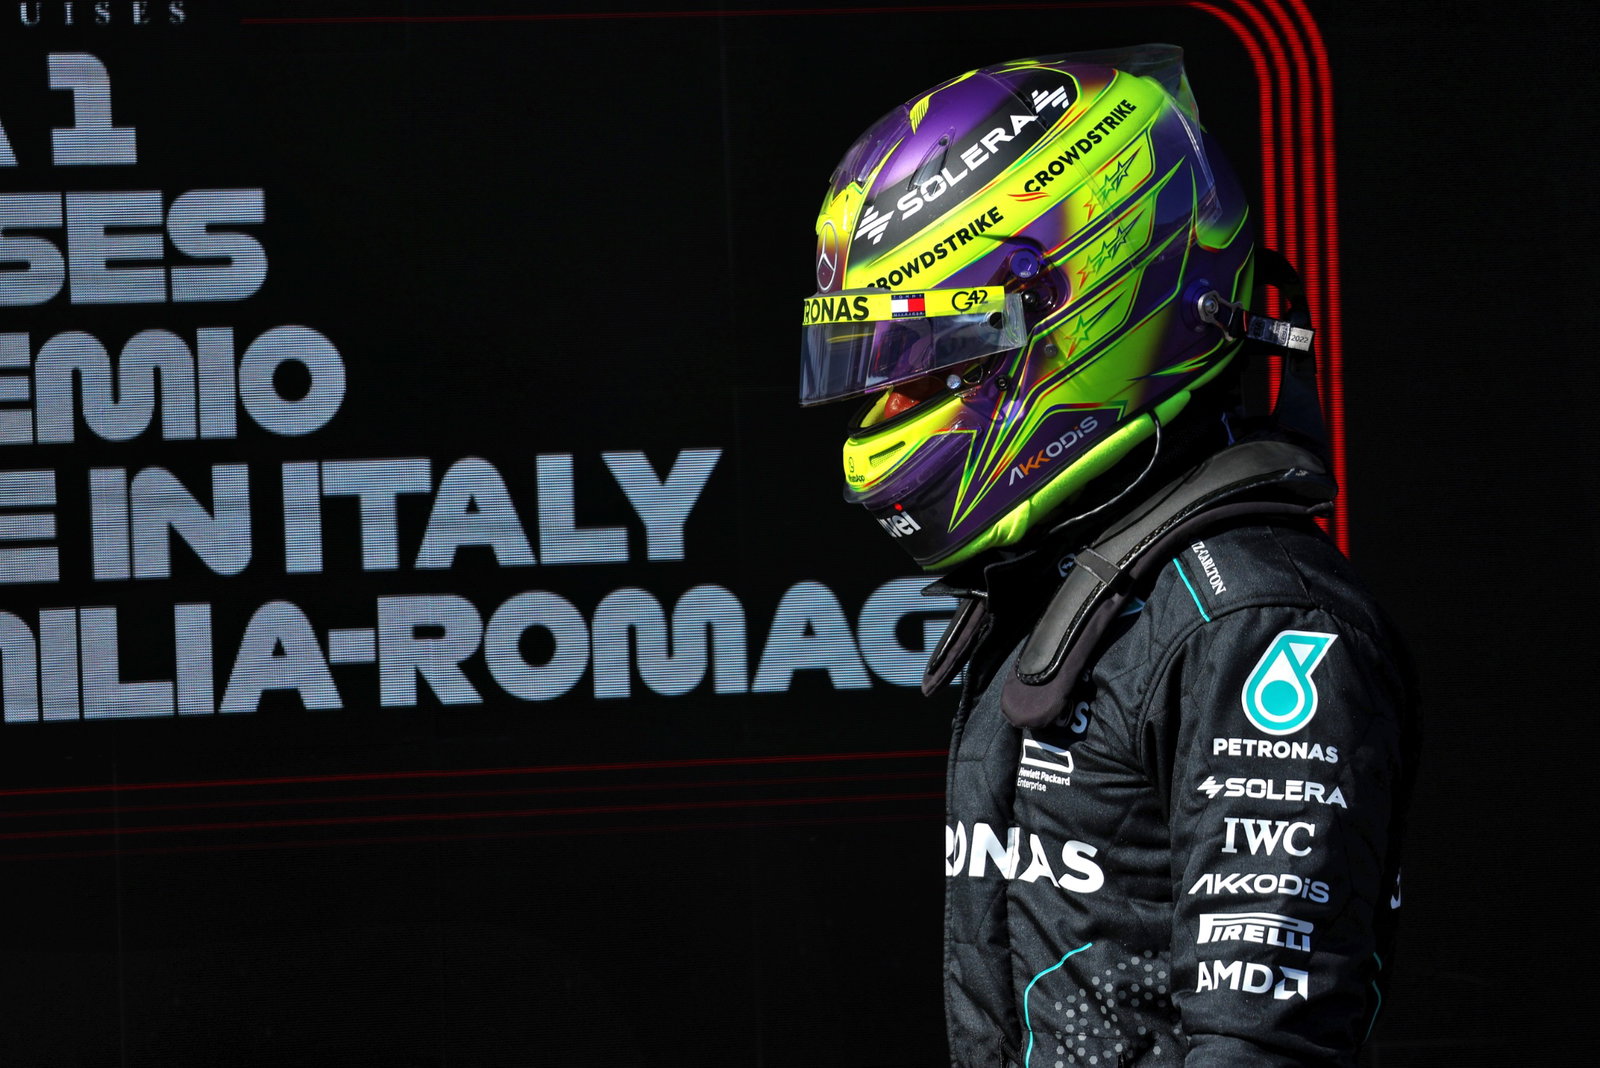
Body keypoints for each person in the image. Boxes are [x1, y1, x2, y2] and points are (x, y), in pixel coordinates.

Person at [798, 46, 1419, 1066]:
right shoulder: (1068, 581)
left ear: (1086, 307)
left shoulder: (1255, 625)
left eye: (928, 360)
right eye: (881, 371)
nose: (889, 404)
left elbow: (1261, 1049)